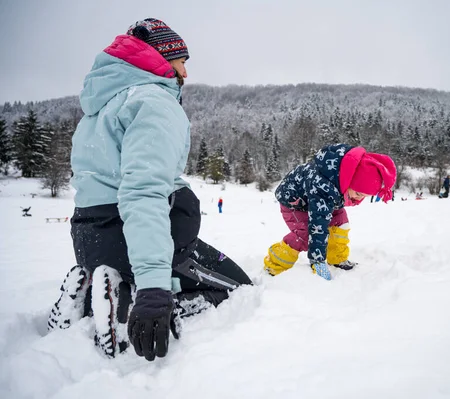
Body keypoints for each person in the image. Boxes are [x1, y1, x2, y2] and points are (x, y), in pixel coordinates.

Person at [47, 18, 252, 361]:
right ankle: (123, 310)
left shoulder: (100, 110)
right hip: (138, 237)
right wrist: (155, 288)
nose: (185, 73)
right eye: (182, 62)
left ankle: (91, 296)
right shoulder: (153, 103)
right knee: (239, 291)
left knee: (158, 276)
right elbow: (143, 193)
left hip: (90, 237)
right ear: (160, 58)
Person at [264, 144, 396, 280]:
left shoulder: (340, 180)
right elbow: (318, 226)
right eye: (357, 193)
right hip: (295, 204)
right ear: (349, 181)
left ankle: (337, 257)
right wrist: (317, 260)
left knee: (341, 222)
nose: (359, 198)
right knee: (305, 235)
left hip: (322, 200)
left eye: (364, 196)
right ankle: (274, 264)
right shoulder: (324, 186)